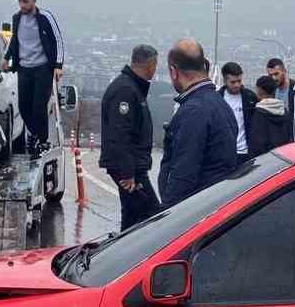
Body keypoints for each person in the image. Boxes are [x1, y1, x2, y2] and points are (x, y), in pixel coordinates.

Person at [158, 39, 238, 207]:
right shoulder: (220, 104)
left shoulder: (194, 111)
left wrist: (165, 218)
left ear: (174, 71)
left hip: (194, 211)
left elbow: (183, 175)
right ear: (204, 65)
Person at [100, 45, 160, 230]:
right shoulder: (125, 90)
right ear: (150, 64)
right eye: (155, 64)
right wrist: (127, 173)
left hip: (133, 166)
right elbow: (120, 134)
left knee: (133, 217)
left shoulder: (132, 87)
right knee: (153, 217)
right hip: (129, 168)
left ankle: (124, 255)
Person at [1, 0, 65, 155]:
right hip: (24, 68)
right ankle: (35, 135)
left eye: (26, 2)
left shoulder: (45, 17)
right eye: (20, 2)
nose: (23, 6)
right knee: (23, 107)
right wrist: (6, 57)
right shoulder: (17, 18)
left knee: (38, 107)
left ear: (34, 0)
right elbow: (15, 40)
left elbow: (58, 40)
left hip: (42, 68)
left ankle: (42, 140)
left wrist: (58, 66)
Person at [245, 76, 291, 158]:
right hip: (283, 159)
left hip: (265, 161)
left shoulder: (259, 113)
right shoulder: (284, 110)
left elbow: (256, 144)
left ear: (259, 90)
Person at [219, 61, 257, 161]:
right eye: (233, 82)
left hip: (245, 153)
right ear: (224, 81)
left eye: (239, 81)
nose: (237, 85)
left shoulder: (250, 98)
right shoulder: (217, 99)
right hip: (223, 154)